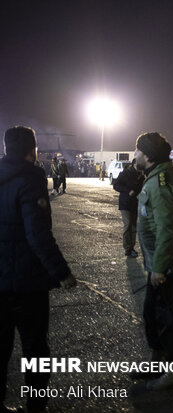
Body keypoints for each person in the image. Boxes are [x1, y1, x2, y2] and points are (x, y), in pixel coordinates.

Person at [0, 126, 77, 413]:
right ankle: (35, 405)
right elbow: (38, 235)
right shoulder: (31, 178)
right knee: (35, 349)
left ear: (6, 148)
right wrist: (61, 272)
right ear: (32, 149)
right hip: (27, 283)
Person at [133, 132, 173, 391]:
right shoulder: (157, 176)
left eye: (136, 150)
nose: (134, 154)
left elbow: (167, 228)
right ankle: (158, 360)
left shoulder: (160, 181)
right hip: (159, 261)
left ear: (147, 155)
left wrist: (159, 268)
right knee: (152, 313)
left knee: (169, 318)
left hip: (169, 263)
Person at [113, 159, 144, 257]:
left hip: (135, 203)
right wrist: (128, 190)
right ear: (134, 164)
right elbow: (116, 185)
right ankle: (127, 248)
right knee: (128, 224)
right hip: (125, 203)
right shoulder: (125, 173)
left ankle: (131, 248)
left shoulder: (141, 175)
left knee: (134, 226)